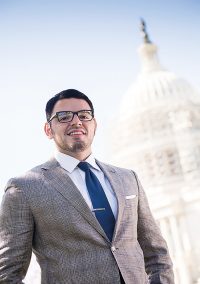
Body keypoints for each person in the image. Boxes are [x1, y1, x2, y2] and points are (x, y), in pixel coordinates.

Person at [0, 89, 174, 284]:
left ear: (95, 125)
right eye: (64, 117)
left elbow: (157, 254)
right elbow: (8, 274)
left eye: (84, 115)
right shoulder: (24, 188)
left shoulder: (128, 179)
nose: (76, 122)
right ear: (48, 130)